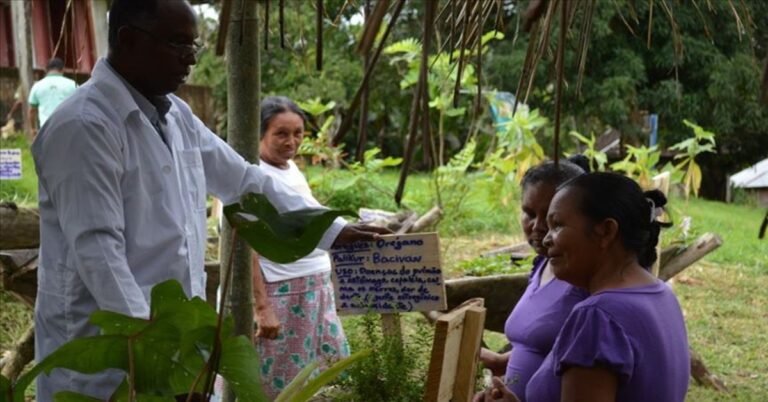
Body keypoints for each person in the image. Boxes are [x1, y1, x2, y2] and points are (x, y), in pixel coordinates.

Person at [31, 1, 386, 399]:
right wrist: (161, 360)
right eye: (179, 44)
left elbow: (246, 181)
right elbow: (99, 253)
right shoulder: (84, 126)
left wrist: (332, 230)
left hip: (174, 343)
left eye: (194, 46)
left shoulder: (175, 115)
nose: (191, 59)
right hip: (109, 351)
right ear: (129, 40)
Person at [481, 172, 690, 402]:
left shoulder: (598, 316)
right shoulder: (661, 295)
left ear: (606, 231)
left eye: (558, 225)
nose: (547, 238)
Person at [242, 96, 348, 398]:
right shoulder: (250, 176)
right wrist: (262, 308)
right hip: (283, 295)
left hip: (313, 291)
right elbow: (246, 250)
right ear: (260, 133)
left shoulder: (289, 169)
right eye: (281, 133)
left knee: (311, 381)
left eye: (298, 133)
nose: (292, 141)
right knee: (274, 384)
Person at [474, 158, 588, 402]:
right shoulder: (542, 265)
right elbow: (545, 345)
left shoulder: (586, 280)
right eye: (528, 213)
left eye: (549, 216)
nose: (537, 226)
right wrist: (500, 362)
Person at [27, 58, 77, 137]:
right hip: (68, 128)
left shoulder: (37, 86)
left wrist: (32, 129)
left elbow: (32, 111)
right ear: (63, 69)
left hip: (46, 129)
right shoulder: (73, 85)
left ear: (46, 70)